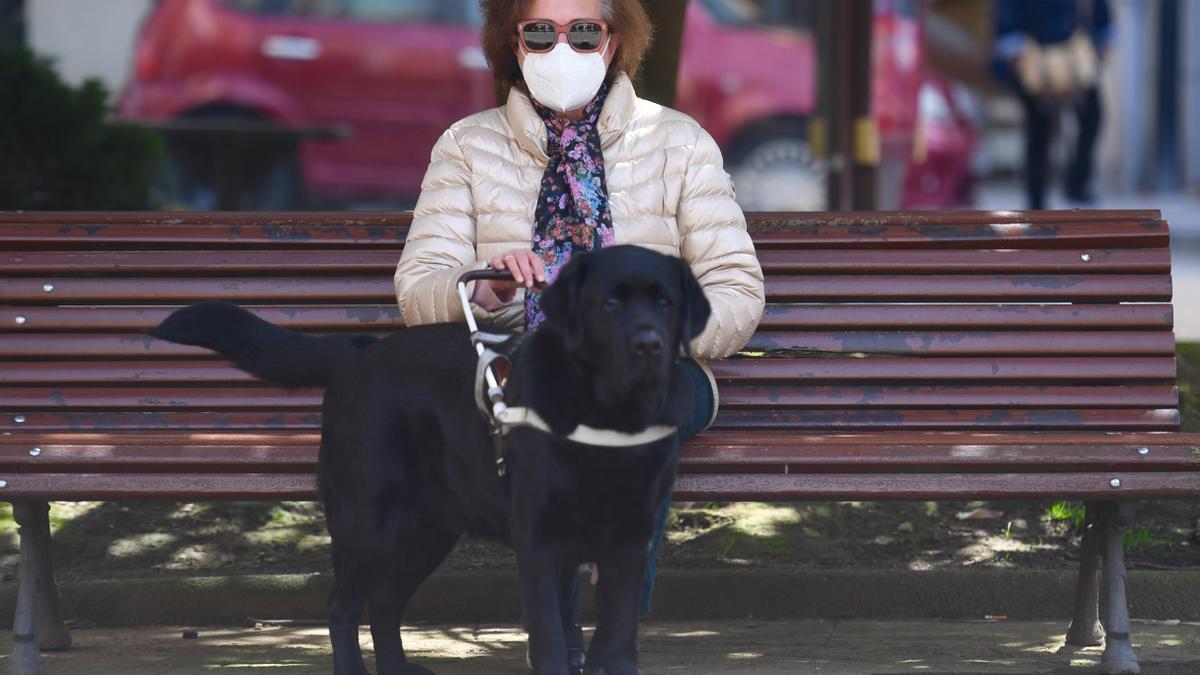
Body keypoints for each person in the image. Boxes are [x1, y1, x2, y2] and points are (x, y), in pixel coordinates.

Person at [393, 0, 764, 652]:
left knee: (647, 408)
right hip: (525, 363)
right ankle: (557, 638)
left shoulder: (677, 142)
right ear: (515, 42)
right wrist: (482, 287)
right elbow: (419, 287)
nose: (561, 46)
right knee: (548, 413)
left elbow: (736, 286)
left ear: (614, 42)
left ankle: (615, 640)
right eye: (541, 31)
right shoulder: (468, 146)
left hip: (659, 365)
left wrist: (661, 334)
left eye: (583, 31)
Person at [993, 0, 1113, 209]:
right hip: (1035, 59)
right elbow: (1006, 18)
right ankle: (1037, 197)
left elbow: (1101, 14)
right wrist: (1015, 51)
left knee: (1092, 117)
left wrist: (1101, 41)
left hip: (1076, 60)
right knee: (1039, 130)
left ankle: (1076, 183)